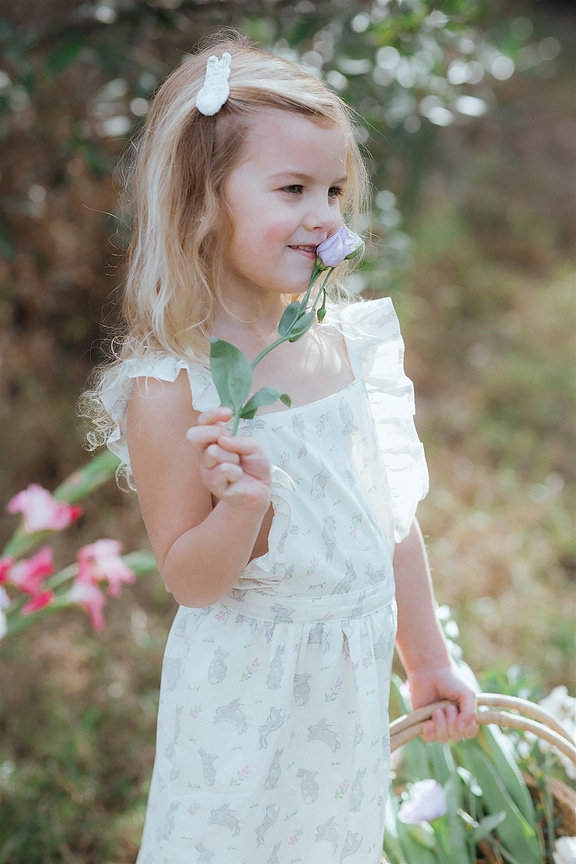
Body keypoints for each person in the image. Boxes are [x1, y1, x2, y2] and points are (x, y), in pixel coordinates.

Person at [83, 34, 478, 864]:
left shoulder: (341, 343)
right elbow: (191, 580)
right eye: (293, 188)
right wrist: (242, 509)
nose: (325, 214)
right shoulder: (177, 389)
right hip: (248, 704)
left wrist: (429, 658)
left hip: (346, 693)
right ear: (202, 202)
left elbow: (387, 519)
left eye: (334, 190)